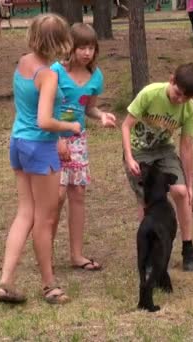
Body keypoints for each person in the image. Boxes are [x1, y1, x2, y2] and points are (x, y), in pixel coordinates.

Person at [0, 13, 79, 305]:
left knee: (25, 213)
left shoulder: (23, 62)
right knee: (44, 218)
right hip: (39, 147)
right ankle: (49, 286)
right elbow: (44, 120)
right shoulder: (47, 74)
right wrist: (69, 126)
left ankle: (6, 282)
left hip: (18, 143)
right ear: (60, 41)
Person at [122, 63, 193, 272]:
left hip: (164, 151)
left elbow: (186, 146)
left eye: (186, 97)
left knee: (181, 192)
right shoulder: (150, 94)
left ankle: (188, 249)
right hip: (139, 152)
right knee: (147, 202)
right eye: (178, 93)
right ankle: (148, 255)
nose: (180, 100)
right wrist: (130, 157)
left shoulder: (189, 108)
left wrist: (190, 183)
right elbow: (126, 126)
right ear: (171, 80)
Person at [50, 23, 117, 271]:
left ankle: (76, 255)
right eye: (82, 47)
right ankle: (45, 252)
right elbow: (44, 108)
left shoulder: (95, 76)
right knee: (55, 197)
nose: (87, 53)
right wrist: (57, 138)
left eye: (91, 48)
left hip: (78, 141)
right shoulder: (55, 71)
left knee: (77, 195)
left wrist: (101, 116)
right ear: (71, 48)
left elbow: (88, 108)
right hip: (53, 137)